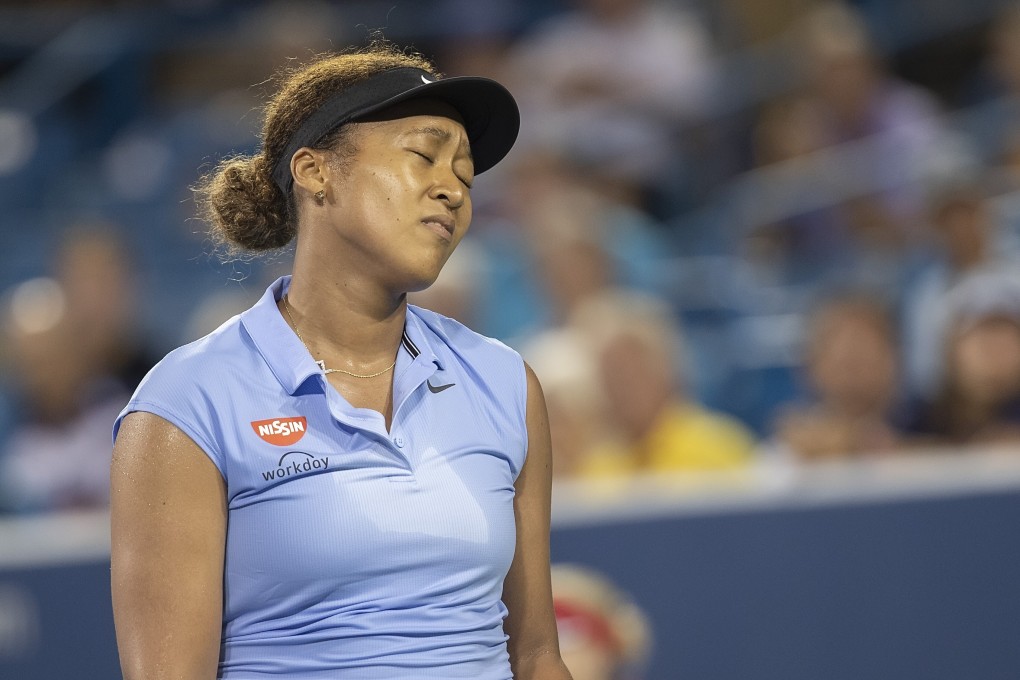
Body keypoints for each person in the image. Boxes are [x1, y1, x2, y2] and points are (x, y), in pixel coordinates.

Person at [109, 44, 573, 680]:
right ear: (315, 171)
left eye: (465, 177)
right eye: (424, 155)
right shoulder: (189, 399)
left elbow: (537, 656)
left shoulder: (504, 382)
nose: (452, 191)